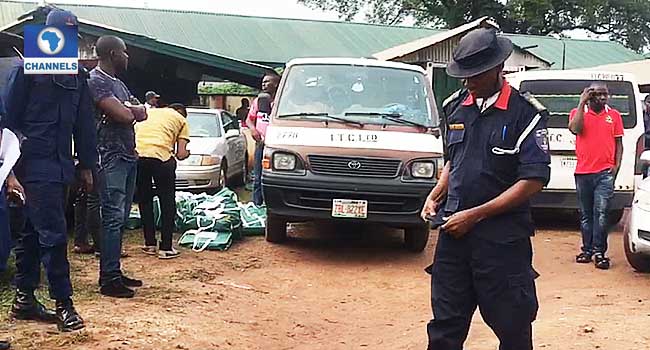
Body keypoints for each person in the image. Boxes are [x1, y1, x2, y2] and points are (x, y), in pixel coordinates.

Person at [420, 28, 551, 350]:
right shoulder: (455, 108)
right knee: (445, 327)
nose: (468, 82)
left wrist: (476, 215)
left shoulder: (526, 114)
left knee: (513, 327)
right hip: (453, 236)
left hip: (503, 242)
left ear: (498, 68)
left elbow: (533, 179)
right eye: (463, 75)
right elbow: (455, 160)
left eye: (475, 75)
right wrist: (436, 194)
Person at [2, 9, 96, 333]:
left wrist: (86, 165)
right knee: (54, 235)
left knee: (31, 233)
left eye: (73, 30)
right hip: (31, 163)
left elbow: (84, 125)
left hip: (60, 166)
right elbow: (8, 121)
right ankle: (64, 304)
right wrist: (9, 170)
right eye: (63, 29)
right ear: (48, 32)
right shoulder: (26, 70)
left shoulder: (78, 78)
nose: (68, 35)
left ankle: (24, 299)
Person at [88, 35, 147, 298]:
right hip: (109, 156)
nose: (127, 57)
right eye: (124, 52)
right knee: (112, 217)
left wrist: (130, 108)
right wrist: (129, 109)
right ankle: (108, 279)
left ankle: (114, 269)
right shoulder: (96, 81)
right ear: (113, 54)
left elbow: (143, 111)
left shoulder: (119, 84)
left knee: (120, 217)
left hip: (127, 155)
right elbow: (124, 115)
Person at [568, 82, 623, 270]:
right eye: (598, 94)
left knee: (601, 214)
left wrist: (616, 167)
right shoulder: (578, 113)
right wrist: (581, 102)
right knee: (586, 215)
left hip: (604, 174)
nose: (602, 97)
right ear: (590, 96)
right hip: (583, 173)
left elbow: (619, 144)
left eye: (605, 94)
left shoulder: (614, 116)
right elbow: (575, 129)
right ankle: (587, 250)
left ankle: (600, 253)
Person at [135, 103, 190, 259]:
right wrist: (186, 153)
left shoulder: (150, 113)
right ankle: (166, 247)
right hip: (162, 158)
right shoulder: (182, 120)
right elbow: (180, 153)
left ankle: (149, 243)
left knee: (144, 200)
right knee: (167, 201)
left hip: (139, 156)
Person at [246, 73, 280, 206]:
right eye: (263, 82)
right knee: (258, 177)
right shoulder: (259, 101)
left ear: (276, 84)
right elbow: (249, 119)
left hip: (277, 145)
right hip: (261, 143)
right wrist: (253, 130)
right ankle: (257, 205)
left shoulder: (283, 101)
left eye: (267, 82)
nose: (263, 84)